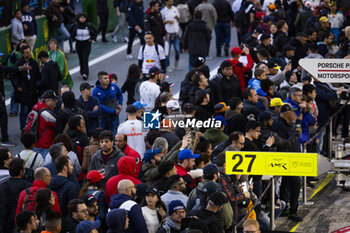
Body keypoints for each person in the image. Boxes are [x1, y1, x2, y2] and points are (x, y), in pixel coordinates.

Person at [271, 104, 303, 222]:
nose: (294, 114)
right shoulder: (279, 125)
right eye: (292, 112)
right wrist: (295, 135)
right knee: (296, 183)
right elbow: (284, 144)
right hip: (285, 160)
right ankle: (293, 211)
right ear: (286, 113)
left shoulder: (290, 124)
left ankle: (284, 207)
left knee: (286, 183)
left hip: (292, 159)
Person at [11, 45, 41, 131]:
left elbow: (38, 76)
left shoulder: (34, 63)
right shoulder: (18, 63)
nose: (29, 54)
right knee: (24, 111)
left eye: (30, 52)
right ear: (23, 54)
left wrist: (37, 87)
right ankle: (23, 128)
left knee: (32, 111)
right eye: (27, 53)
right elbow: (12, 76)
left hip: (32, 91)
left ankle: (31, 128)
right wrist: (17, 87)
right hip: (23, 91)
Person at [0, 158, 31, 232]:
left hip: (5, 222)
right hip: (22, 224)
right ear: (21, 171)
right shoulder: (28, 187)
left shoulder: (2, 186)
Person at [93, 71, 123, 135]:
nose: (107, 80)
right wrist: (113, 111)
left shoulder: (114, 86)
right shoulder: (95, 91)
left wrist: (120, 103)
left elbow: (120, 93)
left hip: (114, 116)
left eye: (108, 78)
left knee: (114, 135)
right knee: (103, 135)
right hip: (103, 118)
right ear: (100, 80)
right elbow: (99, 105)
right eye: (105, 78)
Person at [70, 13, 98, 80]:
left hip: (87, 43)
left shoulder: (89, 25)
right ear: (78, 18)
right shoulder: (75, 25)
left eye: (84, 18)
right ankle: (82, 71)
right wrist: (74, 39)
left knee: (85, 58)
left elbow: (96, 31)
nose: (82, 19)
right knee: (80, 58)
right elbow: (71, 32)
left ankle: (85, 73)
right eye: (81, 18)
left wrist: (92, 39)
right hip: (79, 43)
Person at [161, 0, 180, 72]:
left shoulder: (175, 9)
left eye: (172, 1)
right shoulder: (163, 11)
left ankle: (177, 60)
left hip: (175, 32)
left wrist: (177, 18)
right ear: (166, 2)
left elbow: (179, 19)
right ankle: (167, 65)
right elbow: (161, 22)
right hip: (167, 33)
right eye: (169, 1)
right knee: (167, 51)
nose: (171, 2)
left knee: (177, 49)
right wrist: (167, 21)